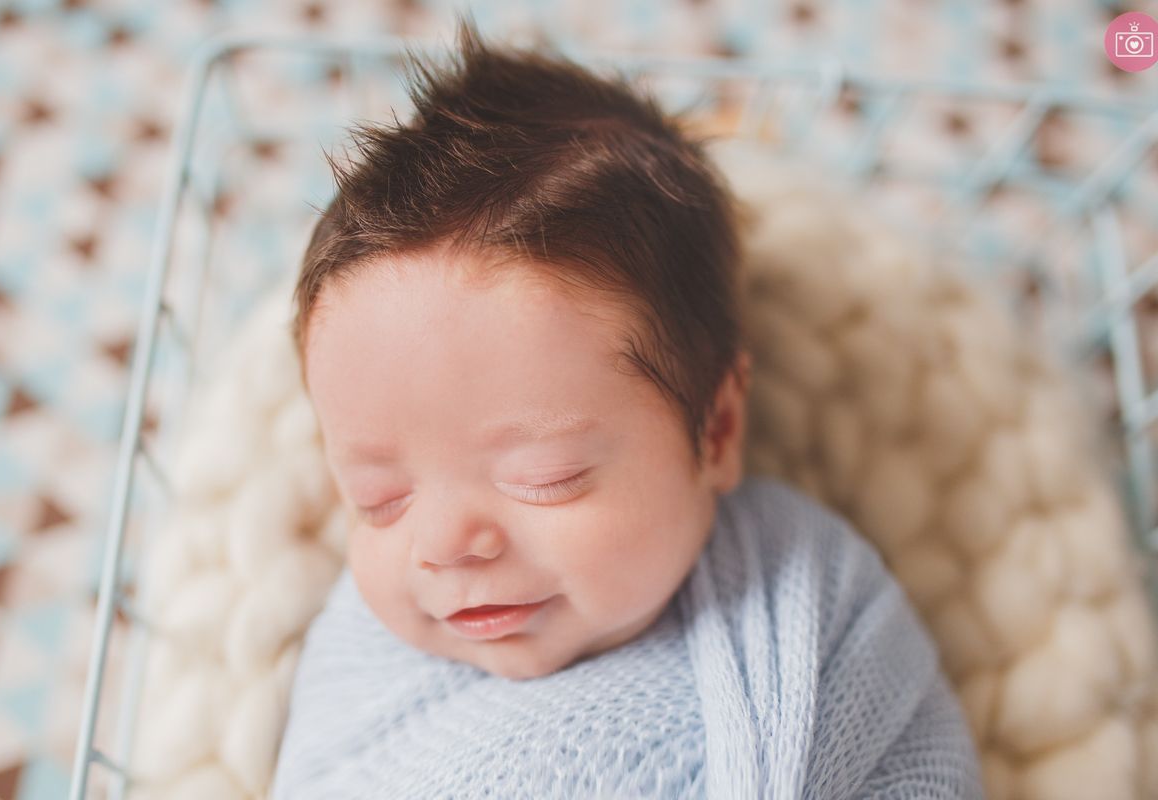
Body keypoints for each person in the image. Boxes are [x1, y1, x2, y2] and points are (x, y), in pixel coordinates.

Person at [272, 22, 984, 799]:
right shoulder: (364, 662)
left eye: (545, 476)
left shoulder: (807, 600)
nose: (442, 546)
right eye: (379, 500)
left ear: (715, 432)